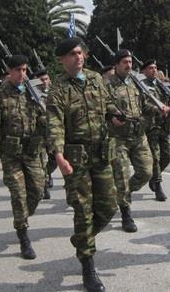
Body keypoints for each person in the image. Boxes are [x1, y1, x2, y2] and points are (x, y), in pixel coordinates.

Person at [47, 38, 118, 292]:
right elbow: (54, 123)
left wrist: (115, 115)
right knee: (83, 210)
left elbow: (107, 104)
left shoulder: (96, 79)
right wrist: (58, 155)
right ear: (61, 60)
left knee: (110, 206)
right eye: (72, 54)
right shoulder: (58, 89)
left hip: (101, 154)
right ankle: (88, 266)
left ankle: (81, 238)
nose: (78, 57)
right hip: (75, 159)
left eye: (80, 52)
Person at [0, 55, 45, 259]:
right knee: (19, 196)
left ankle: (22, 219)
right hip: (11, 155)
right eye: (18, 70)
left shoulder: (33, 91)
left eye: (25, 70)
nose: (22, 74)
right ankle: (24, 238)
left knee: (37, 191)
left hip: (32, 151)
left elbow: (45, 117)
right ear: (9, 71)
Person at [106, 49, 167, 232]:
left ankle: (122, 193)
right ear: (116, 65)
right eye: (124, 62)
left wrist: (158, 108)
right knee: (122, 178)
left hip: (139, 135)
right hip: (119, 139)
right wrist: (111, 116)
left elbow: (144, 106)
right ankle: (126, 214)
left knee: (147, 172)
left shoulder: (136, 83)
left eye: (130, 62)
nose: (129, 65)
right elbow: (102, 107)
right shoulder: (107, 86)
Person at [141, 59, 170, 202]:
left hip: (165, 126)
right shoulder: (142, 87)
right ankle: (158, 186)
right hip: (152, 126)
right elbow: (143, 106)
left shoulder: (162, 85)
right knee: (155, 157)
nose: (153, 70)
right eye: (150, 68)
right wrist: (158, 109)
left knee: (167, 156)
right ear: (144, 71)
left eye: (155, 67)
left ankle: (154, 177)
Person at [34, 67, 55, 200]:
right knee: (42, 160)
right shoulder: (33, 96)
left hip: (52, 133)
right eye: (41, 80)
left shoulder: (54, 93)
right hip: (39, 134)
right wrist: (44, 119)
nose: (44, 82)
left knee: (54, 159)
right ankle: (44, 184)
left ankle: (47, 174)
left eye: (46, 79)